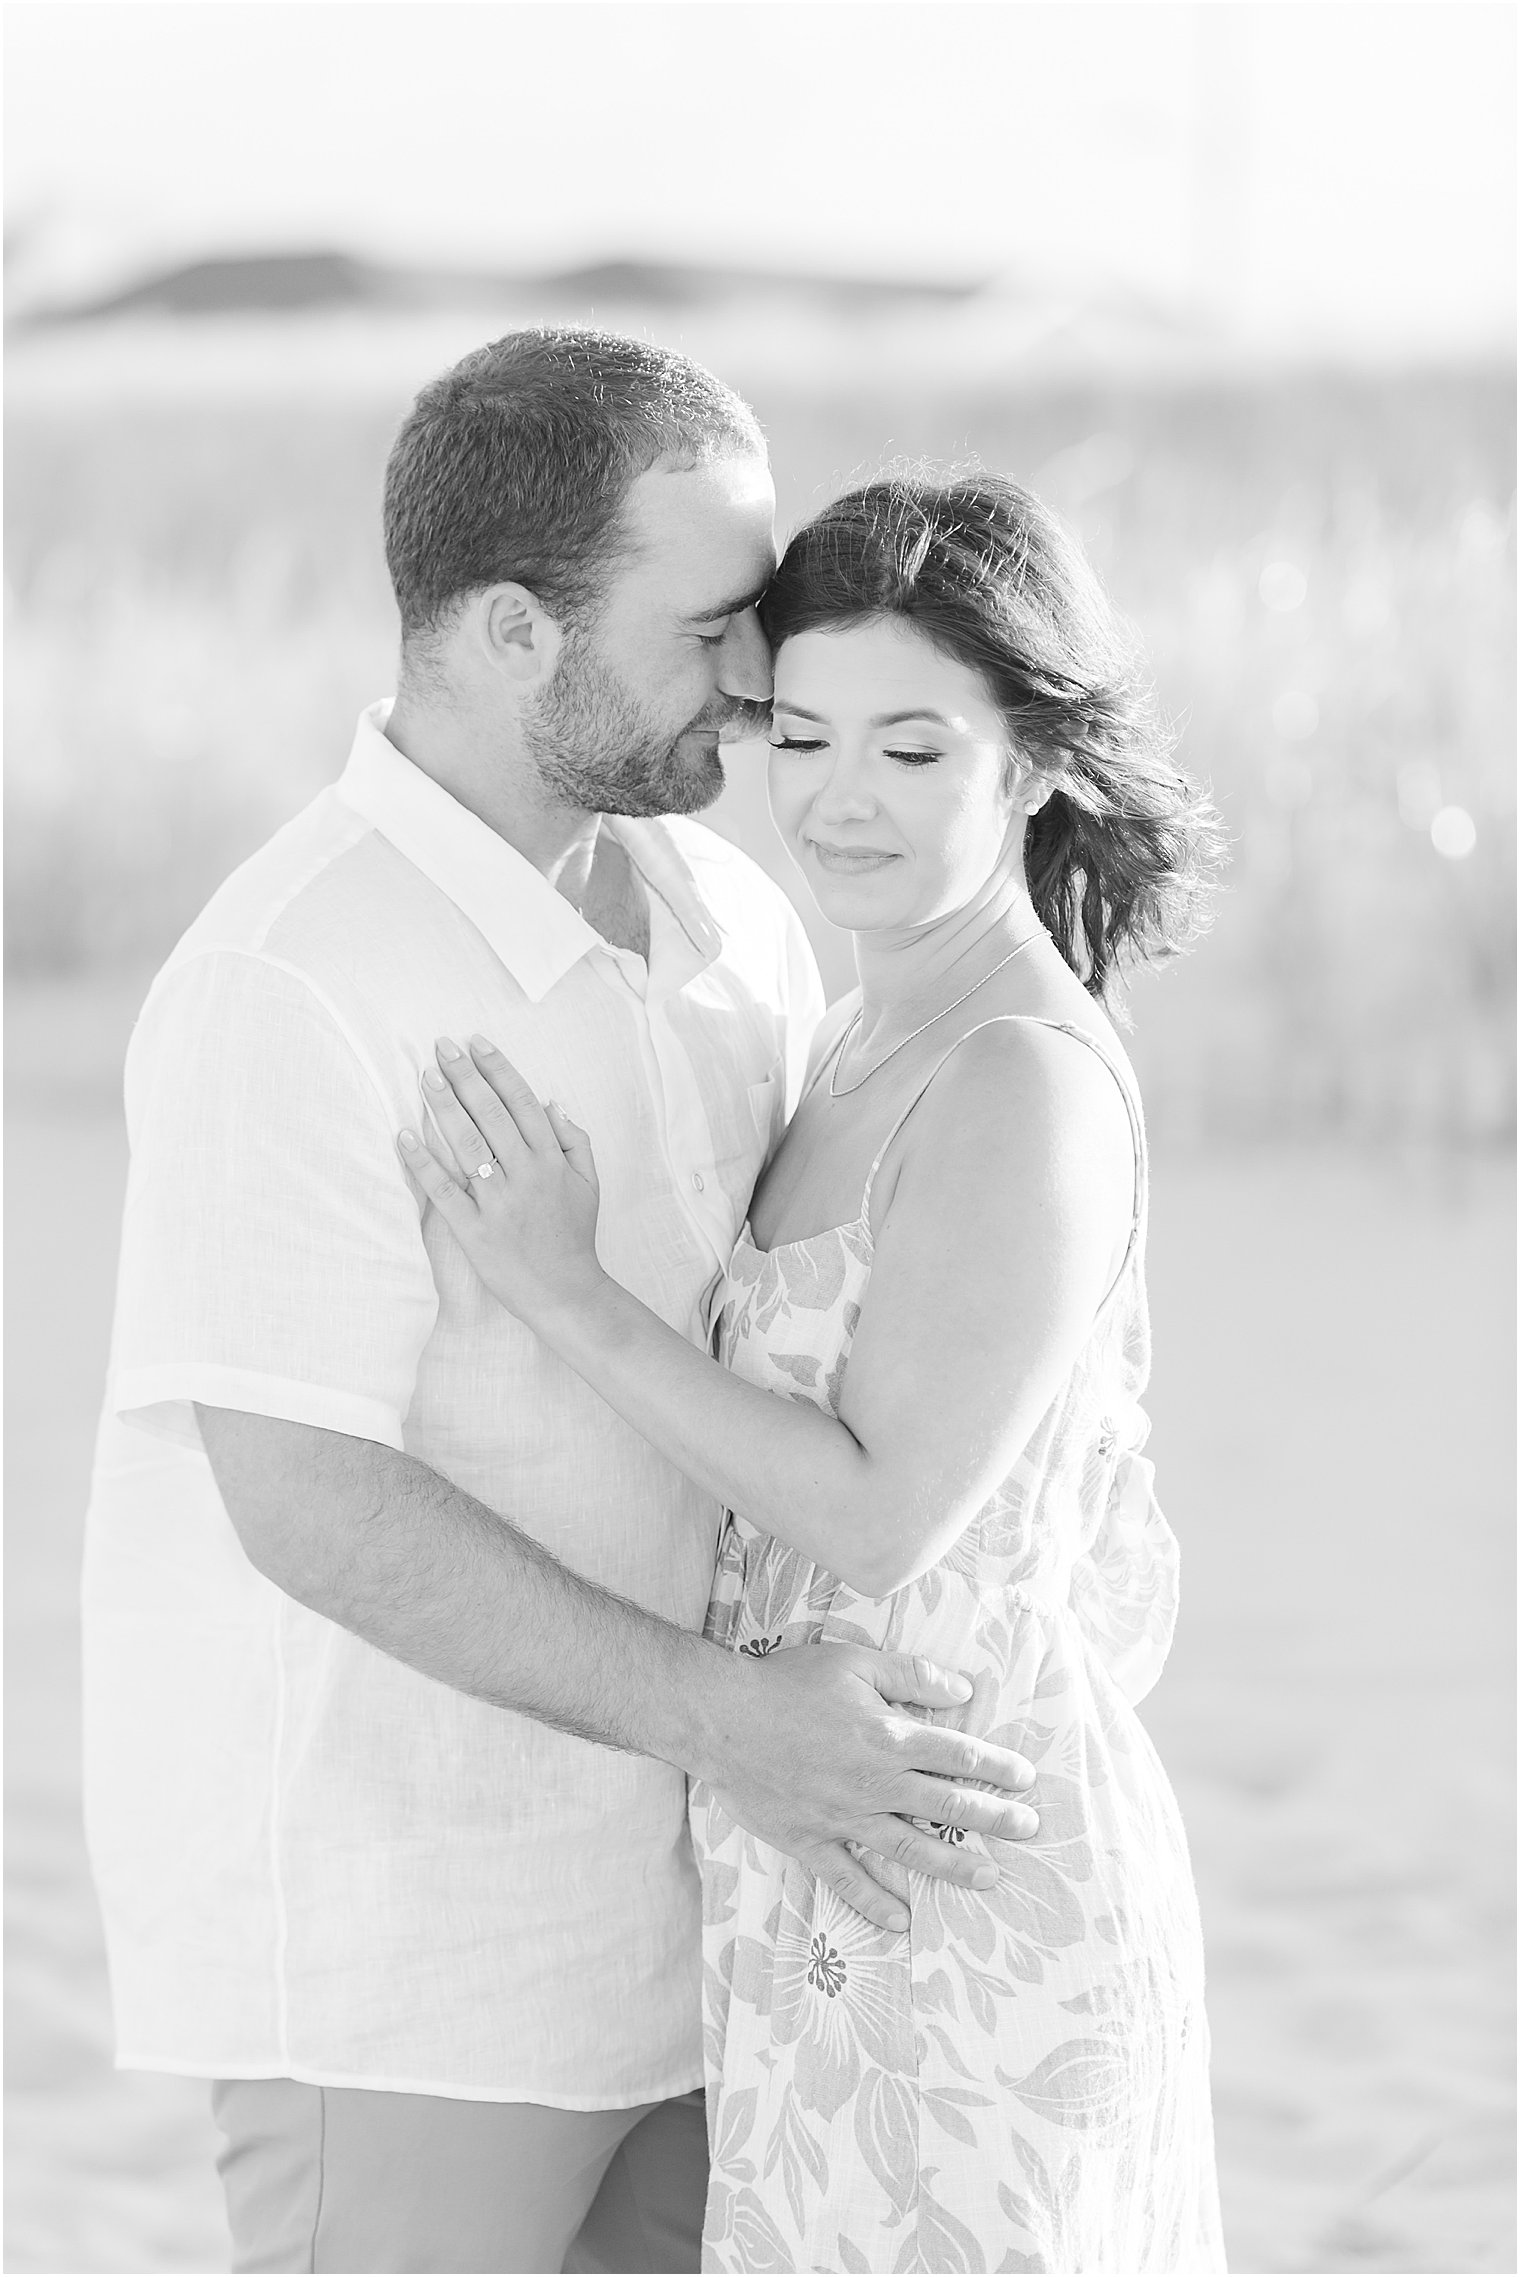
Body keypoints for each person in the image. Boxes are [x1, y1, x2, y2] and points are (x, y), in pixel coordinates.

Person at [80, 338, 1045, 2277]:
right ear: (515, 632)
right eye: (708, 627)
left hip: (701, 1935)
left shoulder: (736, 924)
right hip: (406, 1964)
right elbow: (306, 1499)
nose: (763, 678)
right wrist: (742, 1724)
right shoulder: (296, 972)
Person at [400, 473, 1230, 2272]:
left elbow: (878, 1513)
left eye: (914, 750)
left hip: (969, 1891)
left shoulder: (1017, 1081)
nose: (841, 799)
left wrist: (566, 1291)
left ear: (1030, 765)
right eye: (805, 732)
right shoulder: (860, 1028)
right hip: (820, 1882)